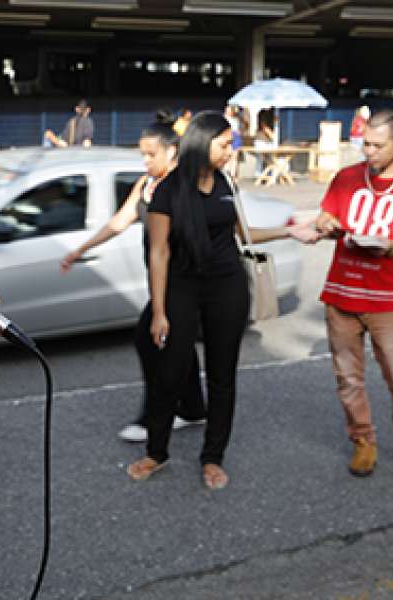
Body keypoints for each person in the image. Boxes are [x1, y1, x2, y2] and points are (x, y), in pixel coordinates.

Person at [126, 111, 314, 490]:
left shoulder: (227, 183)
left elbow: (243, 234)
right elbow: (158, 253)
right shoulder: (168, 189)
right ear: (203, 142)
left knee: (222, 375)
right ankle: (156, 452)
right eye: (225, 144)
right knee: (170, 372)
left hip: (226, 286)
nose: (231, 152)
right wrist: (159, 310)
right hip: (181, 287)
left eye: (232, 145)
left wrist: (292, 231)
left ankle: (213, 456)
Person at [313, 109, 393, 483]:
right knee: (348, 378)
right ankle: (362, 441)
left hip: (387, 301)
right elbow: (324, 217)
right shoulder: (346, 178)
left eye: (377, 146)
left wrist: (390, 247)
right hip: (340, 295)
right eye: (364, 144)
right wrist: (327, 225)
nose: (367, 152)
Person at [60, 121, 206, 443]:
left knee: (151, 341)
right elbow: (120, 221)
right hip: (162, 283)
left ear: (172, 151)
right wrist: (81, 249)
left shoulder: (186, 187)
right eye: (142, 155)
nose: (145, 162)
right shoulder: (147, 184)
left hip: (181, 282)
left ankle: (153, 420)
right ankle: (194, 407)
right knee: (175, 346)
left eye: (151, 155)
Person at [254, 108, 277, 178]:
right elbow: (264, 127)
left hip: (268, 140)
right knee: (261, 158)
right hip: (262, 140)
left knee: (269, 159)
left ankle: (268, 174)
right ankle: (260, 175)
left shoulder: (273, 113)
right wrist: (274, 137)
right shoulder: (264, 113)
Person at [223, 104, 243, 179]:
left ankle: (233, 174)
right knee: (228, 156)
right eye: (227, 109)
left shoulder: (236, 119)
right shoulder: (224, 118)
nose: (229, 111)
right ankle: (226, 173)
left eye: (230, 109)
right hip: (228, 137)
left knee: (235, 157)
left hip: (236, 137)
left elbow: (243, 126)